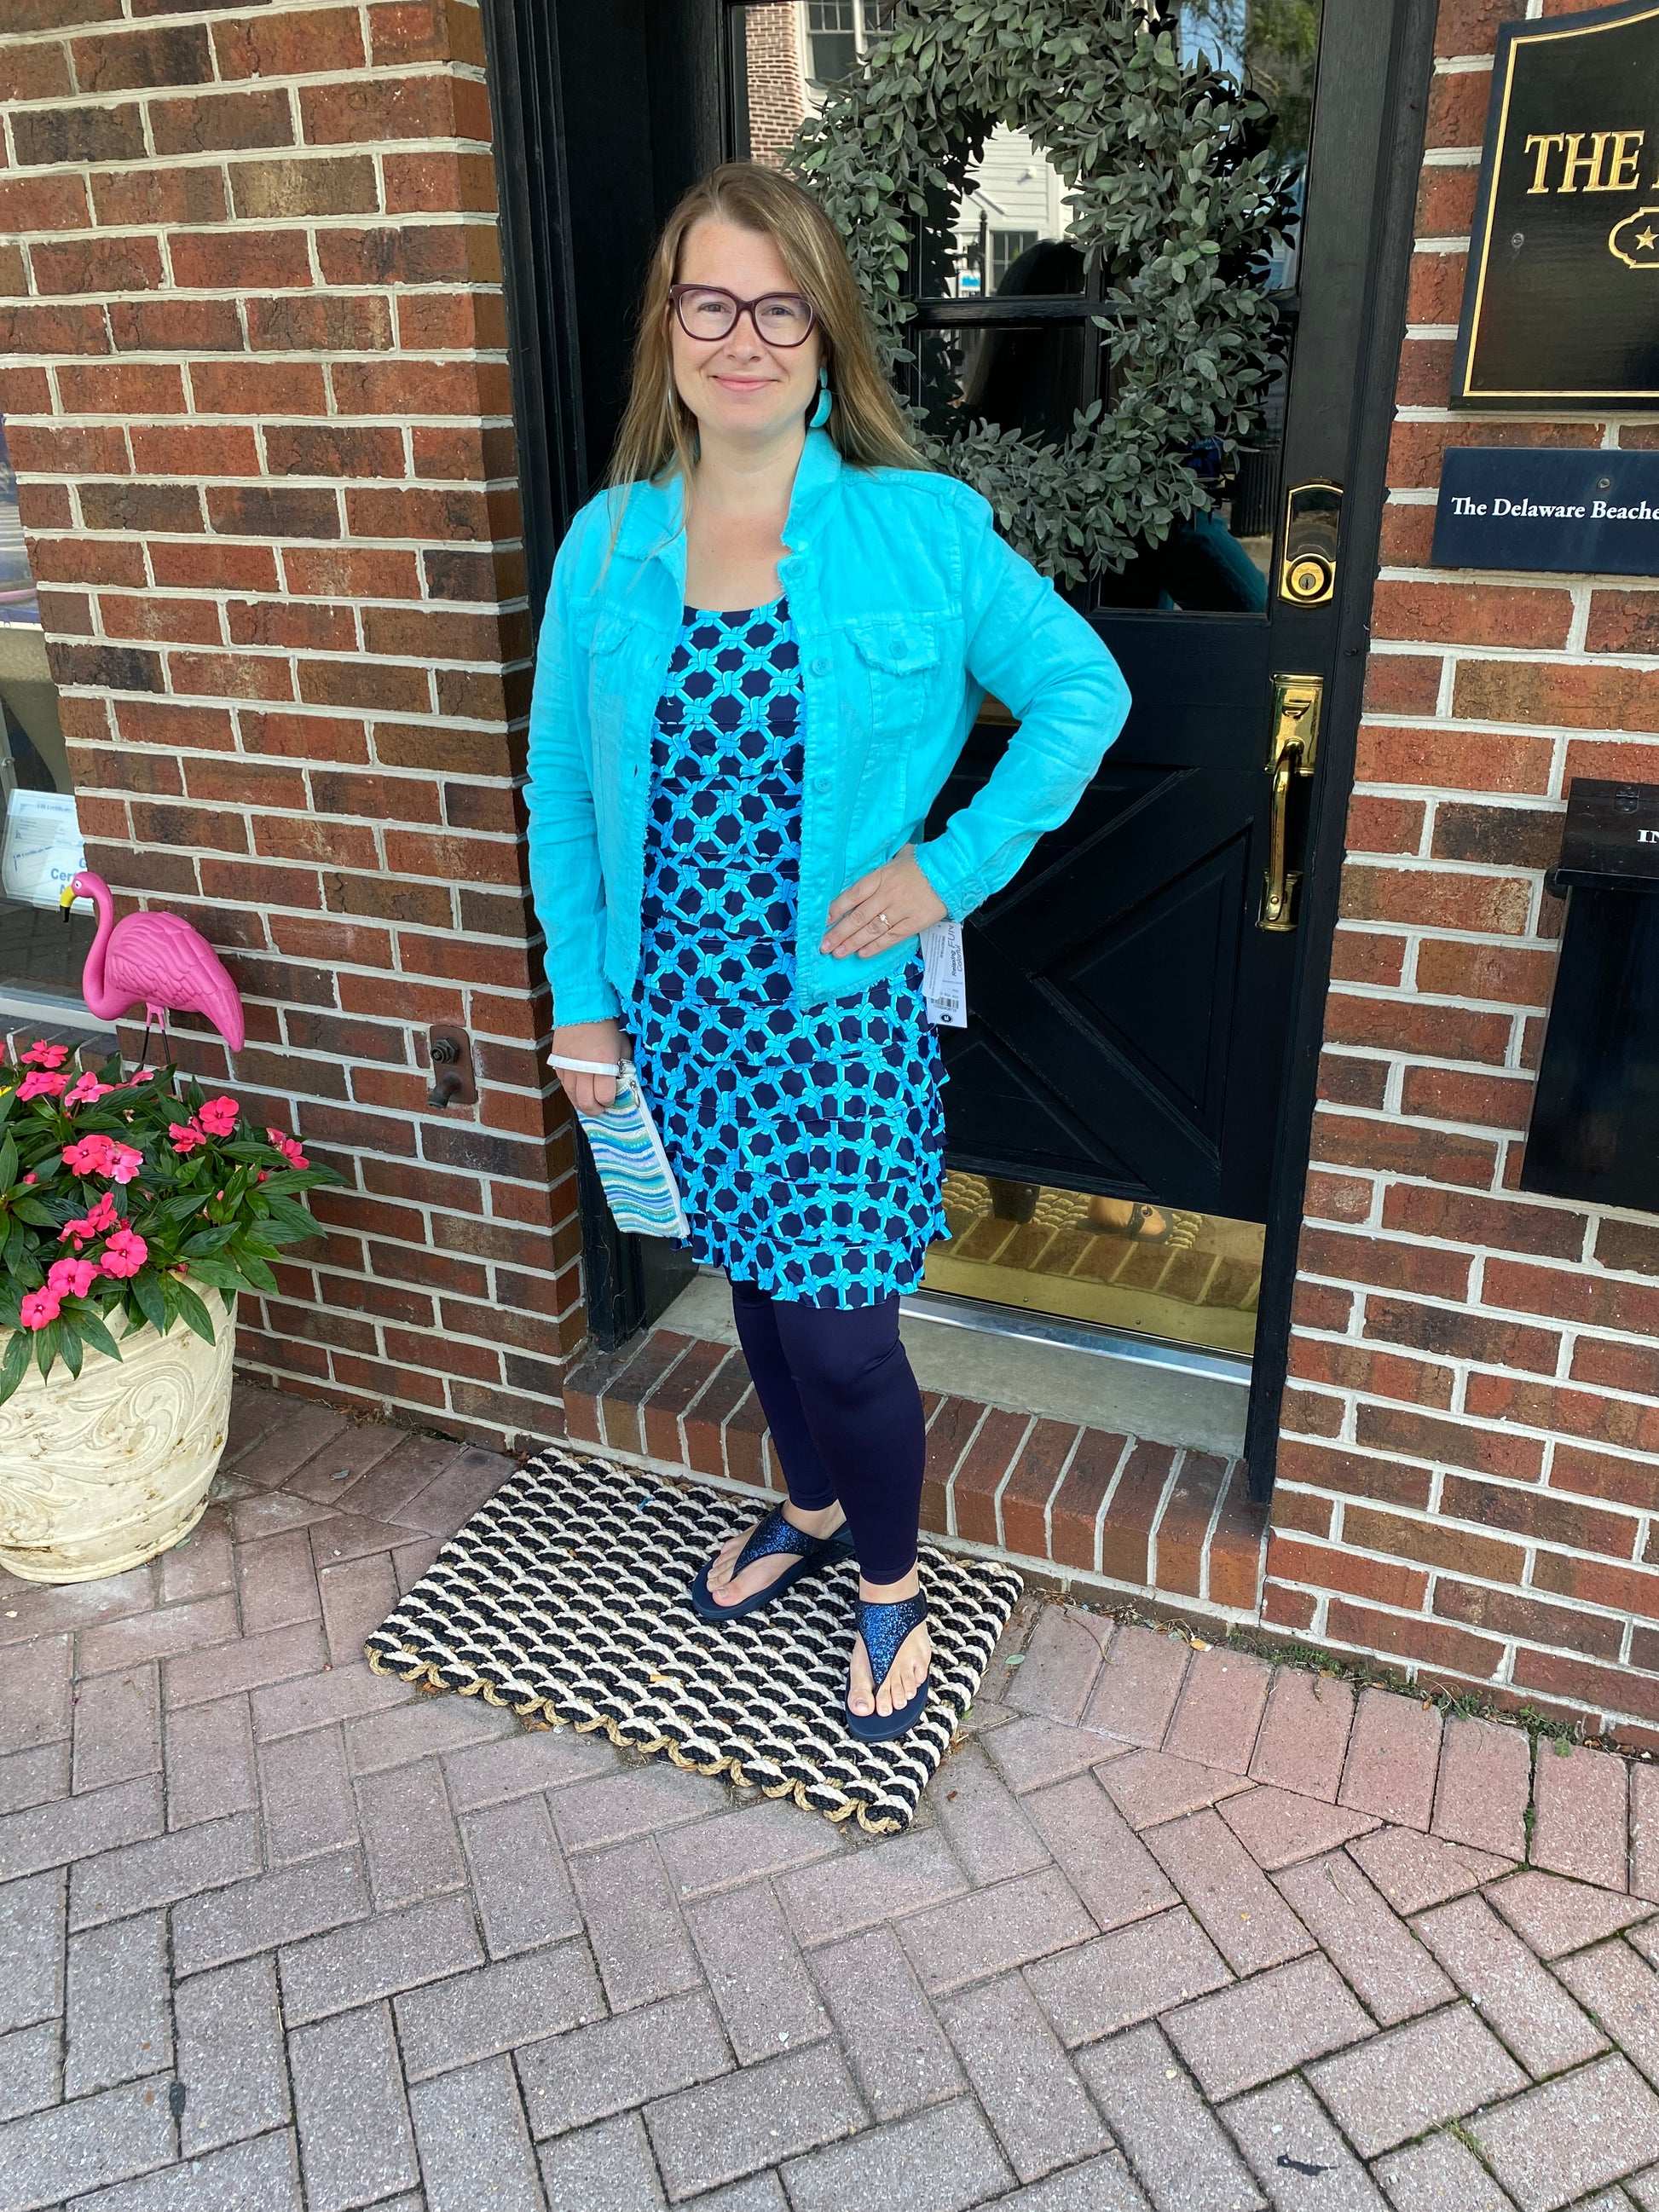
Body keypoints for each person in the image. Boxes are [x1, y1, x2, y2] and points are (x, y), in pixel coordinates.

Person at [523, 162, 1130, 1741]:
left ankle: (888, 1582)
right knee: (754, 1289)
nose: (742, 337)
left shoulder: (919, 530)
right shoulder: (605, 546)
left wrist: (947, 869)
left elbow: (1083, 693)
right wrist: (583, 1008)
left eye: (777, 307)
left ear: (824, 333)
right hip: (676, 1013)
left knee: (844, 1332)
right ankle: (804, 1509)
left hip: (838, 1018)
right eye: (709, 302)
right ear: (668, 326)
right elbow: (563, 794)